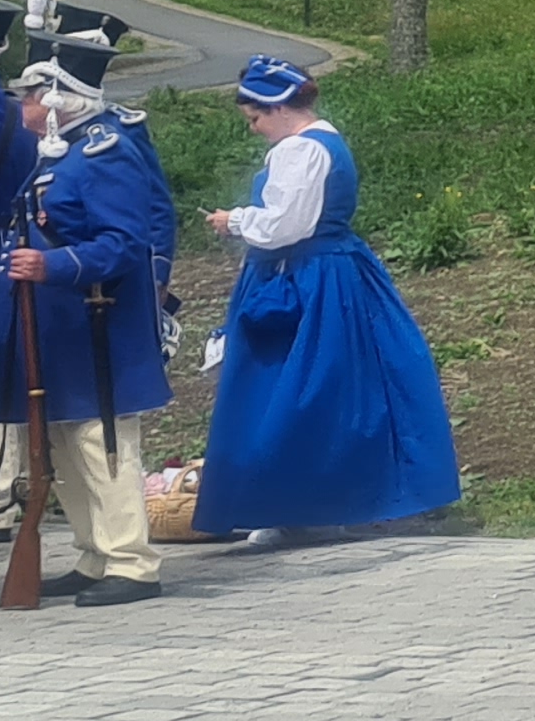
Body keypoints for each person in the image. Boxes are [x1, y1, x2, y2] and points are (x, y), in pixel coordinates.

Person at [194, 54, 463, 538]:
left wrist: (232, 220)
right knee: (350, 384)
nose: (254, 129)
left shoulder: (298, 151)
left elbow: (283, 225)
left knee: (299, 388)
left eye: (255, 119)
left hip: (308, 279)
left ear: (278, 109)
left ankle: (301, 506)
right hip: (337, 270)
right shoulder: (329, 139)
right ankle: (325, 501)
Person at [0, 17, 175, 604]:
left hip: (97, 322)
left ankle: (131, 561)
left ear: (57, 103)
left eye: (30, 94)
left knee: (104, 441)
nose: (20, 102)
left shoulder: (104, 153)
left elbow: (123, 242)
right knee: (67, 447)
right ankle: (95, 553)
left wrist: (53, 267)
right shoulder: (64, 151)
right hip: (57, 326)